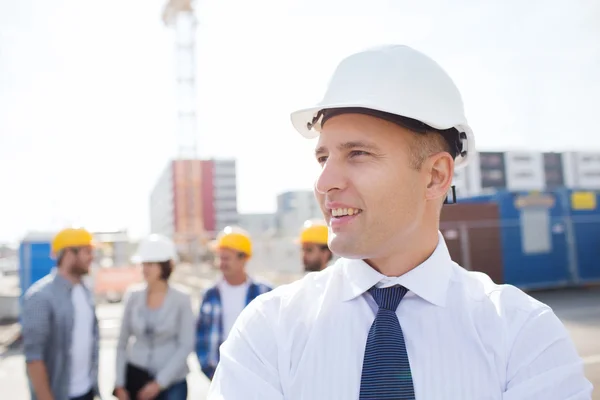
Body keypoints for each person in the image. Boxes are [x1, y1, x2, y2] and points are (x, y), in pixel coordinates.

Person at [207, 45, 593, 399]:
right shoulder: (268, 330)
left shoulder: (523, 335)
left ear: (435, 177)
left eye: (357, 154)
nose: (324, 183)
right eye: (323, 159)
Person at [113, 234, 195, 400]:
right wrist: (119, 384)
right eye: (143, 264)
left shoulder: (182, 299)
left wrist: (159, 383)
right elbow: (122, 343)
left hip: (173, 384)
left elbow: (185, 345)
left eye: (150, 264)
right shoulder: (132, 296)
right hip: (136, 380)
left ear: (165, 265)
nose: (145, 269)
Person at [22, 227, 100, 400]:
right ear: (68, 254)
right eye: (87, 251)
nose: (91, 257)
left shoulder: (85, 291)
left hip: (86, 391)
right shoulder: (40, 297)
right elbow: (34, 358)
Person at [195, 226, 272, 380]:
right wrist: (213, 374)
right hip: (220, 375)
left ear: (243, 258)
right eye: (220, 257)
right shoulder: (209, 295)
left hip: (258, 377)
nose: (221, 263)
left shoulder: (265, 293)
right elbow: (200, 338)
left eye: (226, 258)